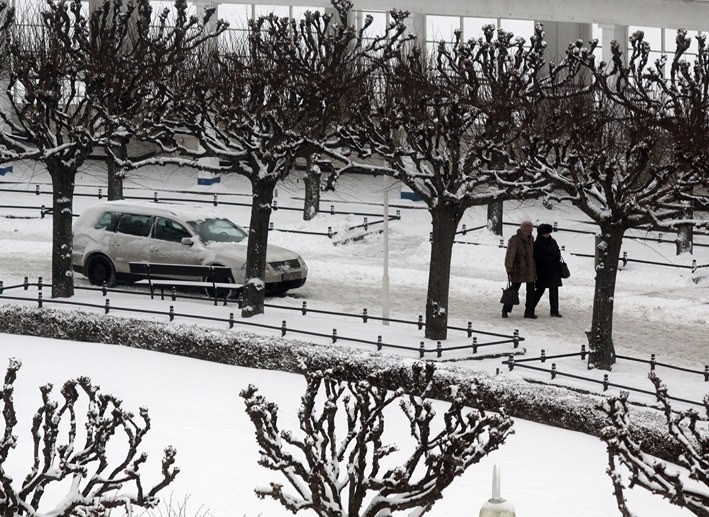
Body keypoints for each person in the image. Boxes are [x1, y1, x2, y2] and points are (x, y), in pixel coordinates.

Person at [503, 221, 537, 318]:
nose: (528, 233)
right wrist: (509, 268)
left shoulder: (531, 239)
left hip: (529, 270)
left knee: (531, 292)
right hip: (518, 269)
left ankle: (529, 312)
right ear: (522, 230)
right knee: (513, 290)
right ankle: (506, 310)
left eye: (529, 231)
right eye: (526, 231)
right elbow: (510, 255)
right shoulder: (515, 239)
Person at [532, 223, 563, 317]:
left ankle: (554, 311)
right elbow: (538, 257)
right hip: (543, 270)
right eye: (545, 233)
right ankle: (530, 307)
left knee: (554, 290)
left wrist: (556, 257)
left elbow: (557, 251)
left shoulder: (553, 241)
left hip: (553, 270)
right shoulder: (537, 243)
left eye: (548, 233)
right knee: (540, 290)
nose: (547, 235)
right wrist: (550, 258)